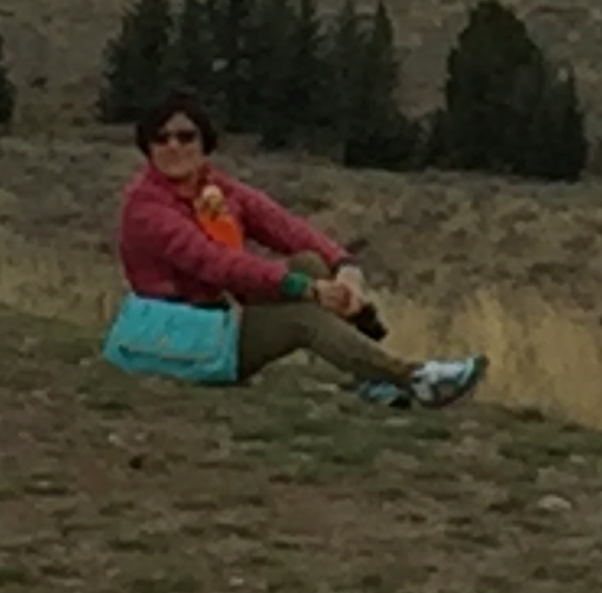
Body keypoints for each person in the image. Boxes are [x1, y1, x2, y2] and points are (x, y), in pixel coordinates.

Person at [110, 90, 485, 408]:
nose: (174, 146)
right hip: (178, 339)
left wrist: (343, 265)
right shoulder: (147, 208)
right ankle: (414, 378)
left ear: (204, 142)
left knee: (309, 262)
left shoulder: (214, 190)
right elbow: (218, 264)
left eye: (185, 136)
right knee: (303, 317)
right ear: (147, 147)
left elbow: (281, 225)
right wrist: (305, 289)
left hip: (217, 320)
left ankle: (375, 379)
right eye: (161, 138)